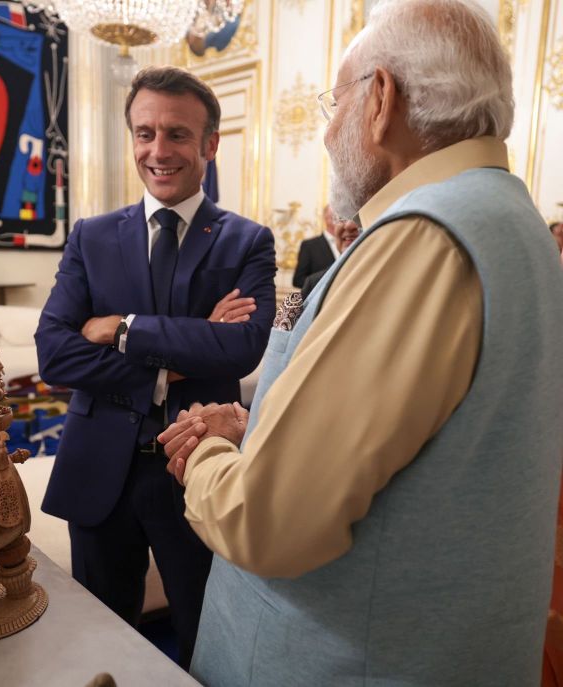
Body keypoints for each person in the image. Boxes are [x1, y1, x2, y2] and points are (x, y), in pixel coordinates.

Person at [158, 1, 563, 684]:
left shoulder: (420, 237)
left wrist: (208, 452)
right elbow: (434, 453)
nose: (326, 134)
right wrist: (262, 430)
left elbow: (268, 523)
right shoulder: (513, 221)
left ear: (380, 99)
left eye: (332, 105)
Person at [35, 66, 276, 667]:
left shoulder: (247, 241)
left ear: (209, 144)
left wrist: (121, 329)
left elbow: (242, 348)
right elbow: (55, 351)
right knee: (95, 641)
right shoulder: (90, 236)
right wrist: (168, 369)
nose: (158, 151)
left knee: (206, 638)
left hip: (197, 467)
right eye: (145, 134)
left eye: (176, 134)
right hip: (98, 471)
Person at [300, 217, 360, 298]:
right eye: (341, 218)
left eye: (357, 217)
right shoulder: (314, 283)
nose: (348, 225)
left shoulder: (381, 277)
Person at [291, 204, 338, 288]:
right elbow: (298, 280)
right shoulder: (309, 246)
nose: (339, 220)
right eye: (335, 217)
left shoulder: (351, 242)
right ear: (326, 218)